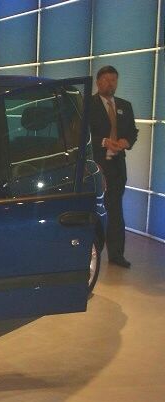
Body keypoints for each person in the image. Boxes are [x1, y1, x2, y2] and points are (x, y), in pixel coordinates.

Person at [89, 66, 138, 268]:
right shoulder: (88, 104)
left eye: (114, 80)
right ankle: (93, 253)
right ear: (98, 82)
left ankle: (117, 254)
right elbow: (83, 133)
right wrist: (103, 142)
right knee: (96, 211)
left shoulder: (125, 106)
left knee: (116, 210)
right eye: (107, 80)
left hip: (117, 166)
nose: (111, 84)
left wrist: (125, 142)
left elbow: (132, 132)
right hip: (97, 166)